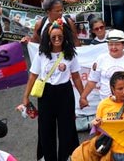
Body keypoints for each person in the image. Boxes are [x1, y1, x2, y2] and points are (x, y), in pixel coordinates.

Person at [20, 21, 83, 161]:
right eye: (53, 37)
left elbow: (77, 77)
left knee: (67, 128)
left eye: (59, 36)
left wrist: (83, 96)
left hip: (65, 93)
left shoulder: (70, 54)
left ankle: (67, 157)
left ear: (64, 37)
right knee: (45, 129)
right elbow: (33, 76)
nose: (56, 40)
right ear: (48, 38)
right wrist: (25, 97)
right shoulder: (41, 54)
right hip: (46, 94)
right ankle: (47, 158)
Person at [79, 30, 124, 107]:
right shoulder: (101, 59)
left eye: (117, 44)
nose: (113, 47)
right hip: (107, 104)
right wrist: (83, 97)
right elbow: (92, 81)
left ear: (123, 45)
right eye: (110, 44)